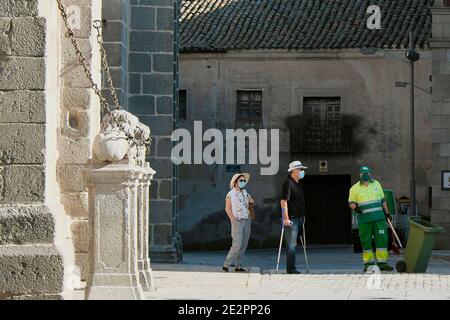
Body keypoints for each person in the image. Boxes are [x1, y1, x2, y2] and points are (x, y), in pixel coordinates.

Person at [348, 166, 394, 272]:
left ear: (370, 174)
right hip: (364, 220)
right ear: (360, 174)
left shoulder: (376, 184)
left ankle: (382, 264)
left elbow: (383, 200)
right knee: (366, 242)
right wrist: (356, 208)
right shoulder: (354, 188)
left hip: (379, 218)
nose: (366, 175)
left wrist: (387, 213)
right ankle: (368, 265)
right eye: (364, 173)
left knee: (382, 240)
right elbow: (351, 202)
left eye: (367, 173)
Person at [280, 161, 308, 274]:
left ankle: (292, 267)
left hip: (300, 217)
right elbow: (283, 202)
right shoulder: (288, 183)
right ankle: (291, 268)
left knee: (297, 243)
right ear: (294, 171)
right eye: (300, 169)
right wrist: (285, 218)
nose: (302, 171)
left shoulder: (298, 183)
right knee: (291, 245)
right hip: (292, 219)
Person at [223, 173, 255, 272]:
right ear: (236, 182)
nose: (243, 182)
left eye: (244, 181)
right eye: (241, 180)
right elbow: (227, 209)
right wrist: (233, 219)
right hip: (237, 220)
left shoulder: (245, 193)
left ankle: (238, 265)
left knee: (244, 243)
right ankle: (226, 264)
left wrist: (251, 201)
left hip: (247, 219)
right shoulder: (230, 194)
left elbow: (252, 202)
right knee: (237, 244)